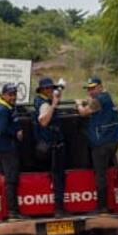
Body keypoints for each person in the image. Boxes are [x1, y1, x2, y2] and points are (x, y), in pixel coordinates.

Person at [77, 76, 118, 212]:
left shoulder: (101, 100)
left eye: (92, 88)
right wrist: (88, 101)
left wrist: (79, 104)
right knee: (109, 169)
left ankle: (101, 207)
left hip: (102, 142)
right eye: (88, 89)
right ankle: (109, 202)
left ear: (100, 87)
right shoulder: (106, 97)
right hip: (112, 140)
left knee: (100, 174)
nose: (90, 92)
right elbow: (94, 104)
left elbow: (83, 113)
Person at [33, 77, 67, 215]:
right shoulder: (44, 104)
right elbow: (43, 121)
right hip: (52, 147)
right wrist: (53, 105)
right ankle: (59, 209)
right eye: (47, 88)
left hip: (48, 145)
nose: (50, 90)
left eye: (51, 88)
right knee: (58, 177)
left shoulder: (43, 100)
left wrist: (58, 90)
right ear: (42, 90)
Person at [0, 83, 24, 218]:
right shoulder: (2, 110)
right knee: (11, 180)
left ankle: (13, 210)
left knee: (13, 178)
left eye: (14, 94)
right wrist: (16, 133)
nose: (13, 97)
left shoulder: (9, 107)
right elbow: (2, 128)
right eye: (10, 95)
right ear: (4, 95)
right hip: (6, 149)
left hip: (10, 147)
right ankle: (12, 211)